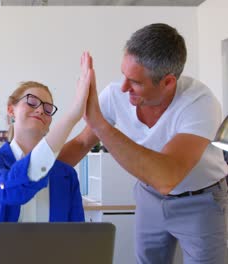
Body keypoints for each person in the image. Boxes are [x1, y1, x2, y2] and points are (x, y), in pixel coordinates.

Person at [59, 23, 228, 263]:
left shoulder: (200, 103)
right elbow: (81, 143)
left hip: (201, 201)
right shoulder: (116, 94)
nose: (124, 87)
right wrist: (33, 175)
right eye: (124, 75)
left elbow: (166, 178)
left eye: (136, 82)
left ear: (168, 82)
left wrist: (101, 125)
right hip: (148, 196)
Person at [0, 52, 93, 222]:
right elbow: (10, 190)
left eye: (47, 108)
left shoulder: (66, 174)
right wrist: (72, 115)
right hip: (3, 249)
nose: (39, 110)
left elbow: (76, 236)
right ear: (11, 110)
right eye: (31, 101)